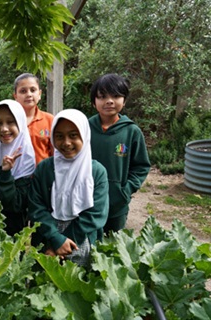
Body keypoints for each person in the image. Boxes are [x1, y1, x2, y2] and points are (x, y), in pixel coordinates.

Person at [28, 109, 109, 267]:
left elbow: (96, 214)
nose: (66, 142)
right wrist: (55, 240)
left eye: (73, 135)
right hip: (47, 238)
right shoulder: (44, 168)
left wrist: (62, 243)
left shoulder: (96, 172)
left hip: (81, 239)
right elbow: (36, 208)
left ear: (84, 135)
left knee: (80, 284)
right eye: (59, 136)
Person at [89, 73, 151, 234]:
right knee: (86, 247)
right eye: (102, 96)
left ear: (124, 100)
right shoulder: (84, 128)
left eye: (116, 96)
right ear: (94, 101)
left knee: (113, 247)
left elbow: (141, 166)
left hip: (117, 205)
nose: (109, 101)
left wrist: (126, 190)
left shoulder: (131, 131)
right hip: (87, 202)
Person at [0, 100, 35, 236]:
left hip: (9, 227)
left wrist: (5, 173)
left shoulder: (25, 157)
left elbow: (16, 204)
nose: (4, 128)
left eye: (11, 122)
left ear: (20, 123)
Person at [13, 73, 54, 165]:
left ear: (39, 94)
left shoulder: (50, 120)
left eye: (33, 90)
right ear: (15, 96)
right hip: (16, 176)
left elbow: (55, 153)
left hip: (43, 176)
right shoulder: (9, 121)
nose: (29, 94)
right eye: (23, 91)